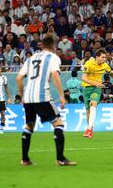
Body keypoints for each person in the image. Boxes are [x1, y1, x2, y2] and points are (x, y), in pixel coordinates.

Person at [16, 36, 76, 166]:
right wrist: (61, 96)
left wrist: (22, 96)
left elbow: (19, 78)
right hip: (42, 96)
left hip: (28, 97)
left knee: (29, 126)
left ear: (41, 46)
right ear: (54, 47)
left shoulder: (30, 58)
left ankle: (25, 159)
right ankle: (60, 159)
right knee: (58, 124)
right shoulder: (54, 58)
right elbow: (55, 74)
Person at [81, 49, 113, 139]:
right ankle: (90, 129)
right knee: (88, 111)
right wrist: (95, 83)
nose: (104, 59)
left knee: (93, 105)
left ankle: (89, 129)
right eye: (102, 57)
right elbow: (83, 78)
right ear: (97, 57)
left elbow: (111, 73)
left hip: (96, 89)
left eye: (105, 57)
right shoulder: (88, 64)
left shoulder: (105, 65)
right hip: (87, 89)